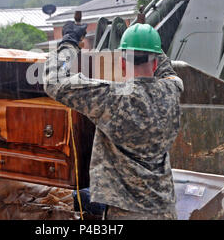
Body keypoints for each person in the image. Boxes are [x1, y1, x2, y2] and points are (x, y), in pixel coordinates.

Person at [43, 22, 184, 220]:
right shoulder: (172, 91)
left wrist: (69, 45)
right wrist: (148, 41)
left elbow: (53, 80)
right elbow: (167, 71)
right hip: (165, 211)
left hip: (126, 214)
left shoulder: (112, 98)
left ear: (123, 63)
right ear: (153, 63)